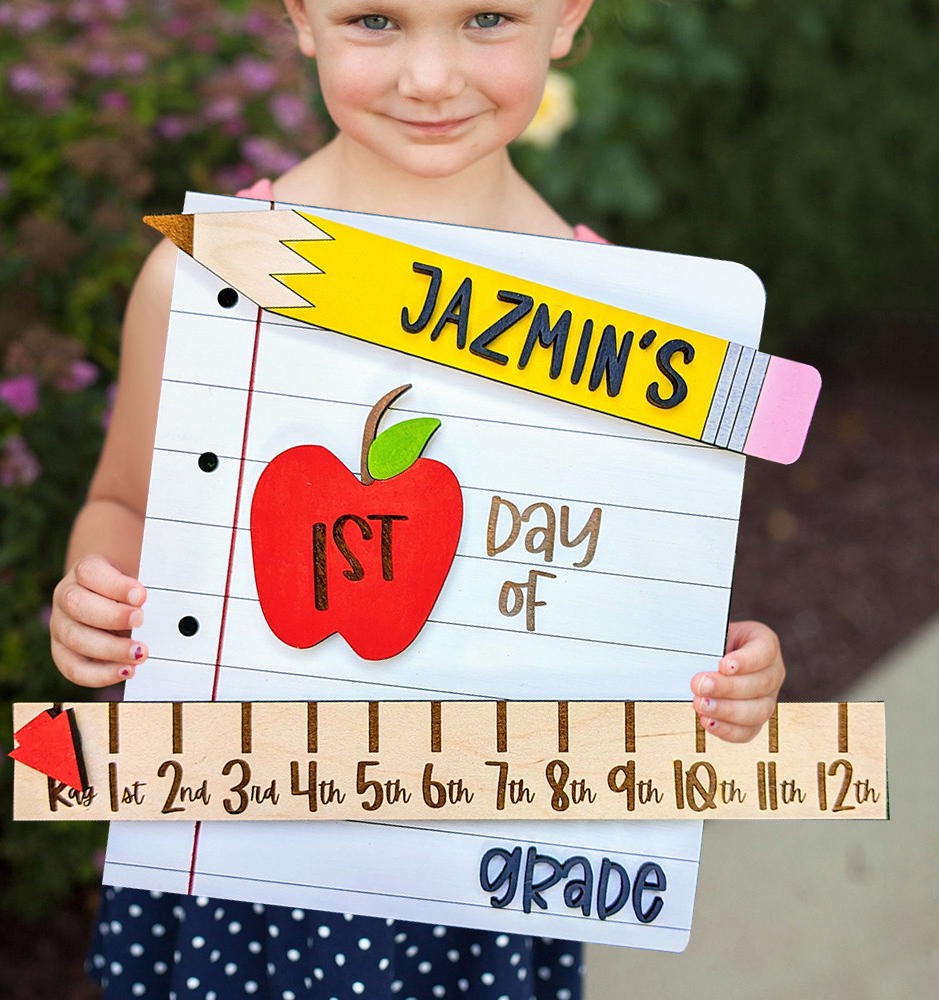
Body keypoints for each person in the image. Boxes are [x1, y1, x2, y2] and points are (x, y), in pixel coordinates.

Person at [51, 2, 787, 997]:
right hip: (233, 850)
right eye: (375, 20)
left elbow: (620, 603)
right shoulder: (205, 277)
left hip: (475, 873)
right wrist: (92, 596)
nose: (431, 77)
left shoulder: (628, 328)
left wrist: (725, 677)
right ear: (301, 16)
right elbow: (122, 503)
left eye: (486, 17)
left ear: (566, 17)